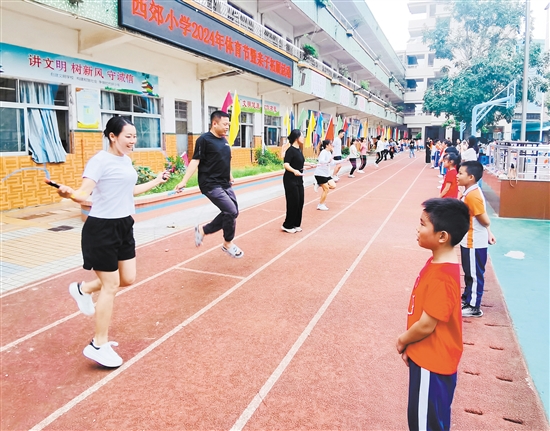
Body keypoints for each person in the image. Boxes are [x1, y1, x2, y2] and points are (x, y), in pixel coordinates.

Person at [57, 116, 169, 367]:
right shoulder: (99, 160)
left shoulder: (125, 160)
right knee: (111, 285)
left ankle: (82, 289)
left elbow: (128, 191)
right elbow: (84, 192)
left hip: (123, 225)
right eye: (128, 136)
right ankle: (99, 344)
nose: (133, 141)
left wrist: (156, 181)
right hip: (101, 229)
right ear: (112, 136)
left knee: (127, 278)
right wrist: (71, 194)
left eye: (134, 136)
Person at [396, 198, 470, 431]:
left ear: (442, 236)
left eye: (423, 224)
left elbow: (427, 325)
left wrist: (403, 340)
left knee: (425, 425)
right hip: (426, 355)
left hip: (433, 362)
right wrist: (413, 349)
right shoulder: (438, 263)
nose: (418, 229)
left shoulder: (443, 277)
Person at [176, 110, 243, 258]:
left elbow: (224, 160)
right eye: (225, 124)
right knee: (231, 211)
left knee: (233, 212)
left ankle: (203, 230)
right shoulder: (204, 140)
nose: (227, 127)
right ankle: (227, 244)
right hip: (210, 184)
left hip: (224, 183)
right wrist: (183, 181)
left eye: (229, 125)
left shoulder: (224, 140)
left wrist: (230, 175)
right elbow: (195, 160)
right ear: (214, 123)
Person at [457, 161, 496, 317]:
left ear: (471, 177)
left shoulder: (472, 195)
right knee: (469, 272)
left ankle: (474, 306)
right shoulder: (470, 192)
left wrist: (488, 230)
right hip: (469, 240)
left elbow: (485, 219)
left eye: (461, 173)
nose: (458, 176)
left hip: (474, 242)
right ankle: (468, 298)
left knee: (474, 273)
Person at [281, 129, 316, 233]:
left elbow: (299, 162)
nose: (303, 137)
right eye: (302, 136)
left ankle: (296, 224)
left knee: (300, 201)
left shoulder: (299, 150)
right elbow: (286, 164)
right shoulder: (290, 150)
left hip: (299, 179)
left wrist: (308, 164)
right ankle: (287, 225)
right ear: (296, 138)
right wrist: (294, 171)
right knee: (293, 202)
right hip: (290, 180)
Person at [314, 140, 337, 210]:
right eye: (331, 144)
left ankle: (319, 184)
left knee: (333, 186)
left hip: (326, 174)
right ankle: (320, 205)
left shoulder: (329, 152)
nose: (332, 145)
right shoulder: (323, 152)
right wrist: (328, 160)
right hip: (320, 174)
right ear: (327, 145)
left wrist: (343, 160)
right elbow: (321, 161)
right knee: (326, 189)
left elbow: (332, 162)